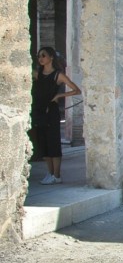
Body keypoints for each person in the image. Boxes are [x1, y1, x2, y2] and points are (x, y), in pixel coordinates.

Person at [31, 47, 81, 185]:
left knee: (53, 142)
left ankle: (57, 175)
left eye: (43, 55)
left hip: (51, 111)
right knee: (43, 142)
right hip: (39, 110)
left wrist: (60, 95)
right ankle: (50, 173)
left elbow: (76, 90)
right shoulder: (38, 74)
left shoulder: (58, 75)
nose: (40, 58)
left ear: (51, 57)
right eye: (39, 56)